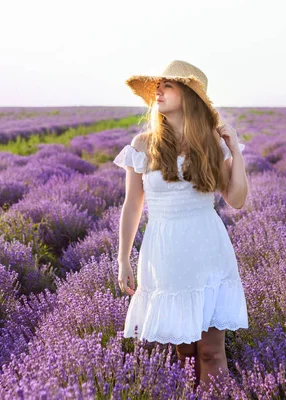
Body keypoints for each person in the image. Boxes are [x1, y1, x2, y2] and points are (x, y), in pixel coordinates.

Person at [113, 60, 250, 391]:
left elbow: (236, 199)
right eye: (158, 86)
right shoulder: (143, 144)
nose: (159, 91)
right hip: (164, 253)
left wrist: (235, 151)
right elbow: (133, 205)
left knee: (210, 352)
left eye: (168, 85)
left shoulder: (210, 144)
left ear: (189, 96)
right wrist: (123, 258)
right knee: (185, 352)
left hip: (206, 249)